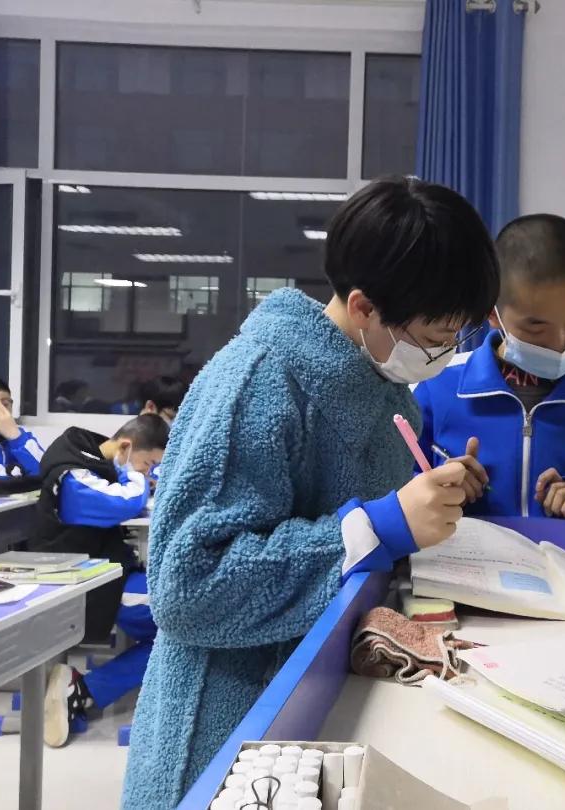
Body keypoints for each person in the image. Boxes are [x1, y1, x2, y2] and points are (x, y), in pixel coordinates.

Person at [121, 176, 499, 808]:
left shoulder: (383, 384)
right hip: (228, 725)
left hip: (316, 696)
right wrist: (380, 526)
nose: (443, 353)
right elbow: (188, 587)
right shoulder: (255, 382)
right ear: (364, 308)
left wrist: (432, 494)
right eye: (436, 336)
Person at [414, 214, 565, 519]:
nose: (559, 342)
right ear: (491, 312)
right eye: (536, 327)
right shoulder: (436, 387)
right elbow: (391, 496)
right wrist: (439, 490)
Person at [35, 415, 168, 747]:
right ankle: (83, 689)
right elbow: (122, 502)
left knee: (178, 629)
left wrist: (137, 474)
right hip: (89, 583)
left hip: (108, 572)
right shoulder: (72, 472)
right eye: (148, 463)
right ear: (126, 447)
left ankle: (84, 689)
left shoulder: (94, 459)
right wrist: (135, 477)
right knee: (181, 615)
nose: (148, 472)